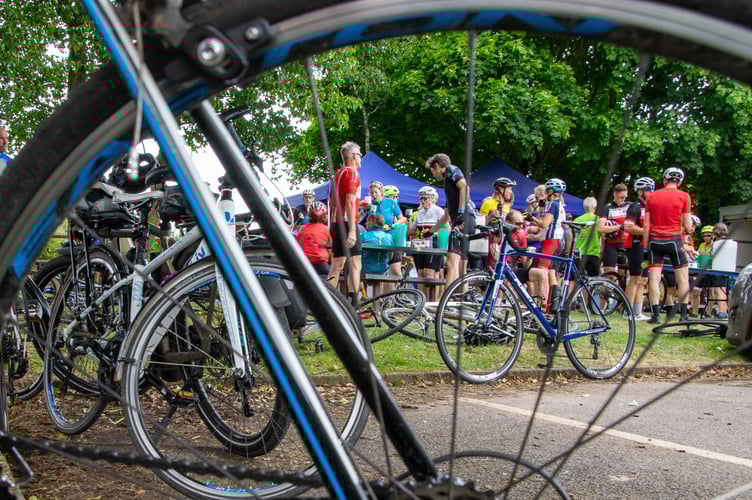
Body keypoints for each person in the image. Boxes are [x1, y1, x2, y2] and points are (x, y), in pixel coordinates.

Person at [644, 166, 693, 323]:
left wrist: (646, 246)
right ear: (679, 182)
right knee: (683, 278)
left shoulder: (651, 196)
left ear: (665, 179)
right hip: (674, 239)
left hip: (654, 240)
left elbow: (646, 225)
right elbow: (688, 225)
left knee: (654, 278)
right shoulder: (684, 196)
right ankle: (684, 315)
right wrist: (688, 230)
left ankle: (655, 315)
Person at [425, 153, 476, 287]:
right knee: (461, 266)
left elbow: (465, 186)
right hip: (467, 219)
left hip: (463, 219)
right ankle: (461, 298)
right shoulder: (448, 185)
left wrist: (460, 212)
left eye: (432, 171)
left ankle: (446, 300)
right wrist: (430, 232)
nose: (433, 174)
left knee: (451, 263)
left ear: (436, 166)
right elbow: (445, 217)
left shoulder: (451, 170)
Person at [327, 141, 363, 307]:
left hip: (336, 222)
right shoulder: (353, 174)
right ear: (354, 156)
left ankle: (328, 302)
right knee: (355, 264)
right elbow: (349, 201)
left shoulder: (338, 173)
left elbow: (333, 202)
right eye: (360, 154)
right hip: (348, 223)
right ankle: (354, 304)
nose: (361, 157)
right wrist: (352, 231)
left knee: (337, 265)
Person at [527, 178, 566, 309]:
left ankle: (546, 305)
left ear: (551, 191)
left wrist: (531, 218)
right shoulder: (558, 204)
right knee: (551, 272)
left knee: (543, 271)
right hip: (553, 240)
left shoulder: (553, 205)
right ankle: (551, 305)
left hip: (551, 241)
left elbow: (544, 224)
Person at [623, 177, 655, 321]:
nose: (650, 192)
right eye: (648, 190)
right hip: (636, 246)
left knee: (643, 280)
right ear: (640, 191)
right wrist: (646, 231)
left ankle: (637, 311)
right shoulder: (635, 207)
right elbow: (628, 226)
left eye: (651, 189)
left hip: (646, 247)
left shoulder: (650, 207)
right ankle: (627, 311)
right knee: (635, 278)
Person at [409, 186, 444, 300]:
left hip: (434, 245)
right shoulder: (420, 213)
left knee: (430, 274)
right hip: (421, 244)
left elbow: (446, 227)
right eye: (421, 198)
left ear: (432, 198)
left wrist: (433, 232)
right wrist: (409, 218)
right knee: (420, 275)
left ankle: (432, 303)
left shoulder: (438, 210)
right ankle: (422, 302)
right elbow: (412, 231)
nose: (423, 201)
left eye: (425, 198)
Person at [505, 210, 549, 300]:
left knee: (543, 273)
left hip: (513, 269)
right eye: (517, 223)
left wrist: (529, 258)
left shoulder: (521, 236)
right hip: (500, 268)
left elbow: (525, 265)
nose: (521, 226)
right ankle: (498, 305)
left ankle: (542, 309)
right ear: (508, 222)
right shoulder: (500, 233)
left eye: (522, 223)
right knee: (505, 277)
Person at [366, 182, 404, 279]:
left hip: (390, 238)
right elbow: (360, 221)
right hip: (374, 241)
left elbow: (402, 219)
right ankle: (381, 294)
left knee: (395, 270)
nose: (373, 195)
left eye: (376, 192)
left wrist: (392, 226)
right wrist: (363, 210)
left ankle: (397, 292)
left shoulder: (391, 203)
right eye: (371, 193)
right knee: (378, 271)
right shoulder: (369, 204)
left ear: (381, 192)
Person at [480, 177, 516, 270]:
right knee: (492, 266)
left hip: (502, 240)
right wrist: (491, 216)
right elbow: (481, 223)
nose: (511, 192)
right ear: (501, 189)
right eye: (509, 189)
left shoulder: (506, 207)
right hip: (490, 240)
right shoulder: (488, 203)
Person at [599, 183, 630, 277]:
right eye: (621, 197)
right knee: (610, 274)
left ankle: (623, 290)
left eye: (625, 197)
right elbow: (600, 228)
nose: (623, 199)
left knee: (624, 276)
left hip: (627, 245)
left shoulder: (630, 206)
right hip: (611, 244)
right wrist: (619, 227)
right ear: (615, 194)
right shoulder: (607, 208)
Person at [295, 201, 331, 276]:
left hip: (305, 265)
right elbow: (331, 250)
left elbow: (299, 247)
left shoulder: (302, 229)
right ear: (324, 216)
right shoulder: (327, 229)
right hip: (322, 265)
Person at [574, 197, 601, 278]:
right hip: (593, 253)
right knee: (593, 280)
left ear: (584, 207)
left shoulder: (577, 220)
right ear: (595, 207)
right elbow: (603, 237)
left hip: (580, 253)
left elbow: (573, 237)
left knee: (575, 279)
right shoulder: (598, 219)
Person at [692, 225, 714, 316]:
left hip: (710, 271)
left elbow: (713, 257)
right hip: (700, 271)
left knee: (710, 293)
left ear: (713, 236)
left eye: (708, 235)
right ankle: (694, 312)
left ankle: (708, 313)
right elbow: (697, 256)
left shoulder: (715, 246)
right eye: (704, 236)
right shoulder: (701, 245)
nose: (706, 237)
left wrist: (702, 253)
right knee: (695, 292)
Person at [710, 222, 731, 319]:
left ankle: (722, 312)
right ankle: (725, 311)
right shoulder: (729, 242)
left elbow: (713, 256)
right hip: (727, 269)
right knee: (724, 290)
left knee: (719, 290)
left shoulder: (717, 243)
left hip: (718, 268)